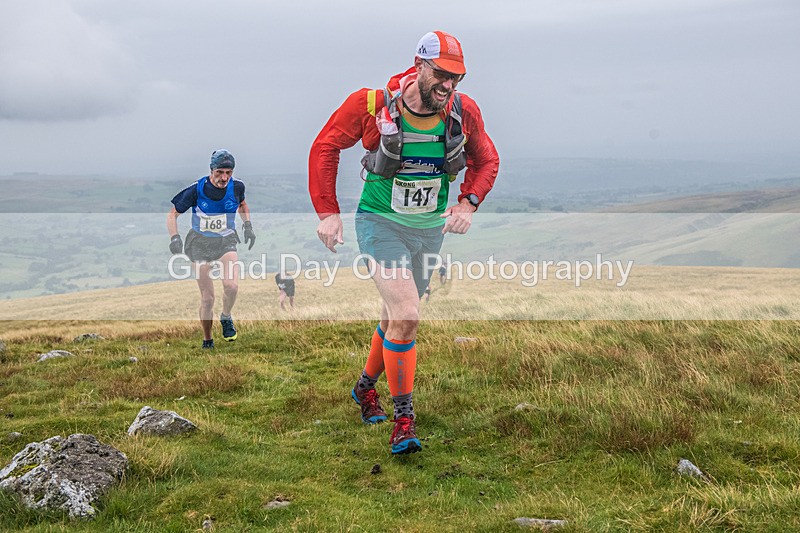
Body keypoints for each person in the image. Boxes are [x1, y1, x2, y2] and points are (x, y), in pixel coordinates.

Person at [309, 31, 499, 455]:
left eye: (458, 77)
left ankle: (363, 389)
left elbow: (487, 159)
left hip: (429, 228)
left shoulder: (463, 112)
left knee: (395, 315)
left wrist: (468, 202)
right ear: (419, 66)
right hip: (381, 222)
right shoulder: (371, 104)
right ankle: (404, 420)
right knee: (409, 315)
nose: (449, 86)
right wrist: (327, 211)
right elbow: (325, 146)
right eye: (442, 75)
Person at [167, 149, 255, 349]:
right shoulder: (196, 190)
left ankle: (226, 316)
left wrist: (248, 226)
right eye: (220, 172)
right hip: (199, 243)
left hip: (225, 240)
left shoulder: (237, 186)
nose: (224, 178)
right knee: (207, 298)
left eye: (228, 173)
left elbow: (242, 204)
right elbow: (172, 214)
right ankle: (207, 339)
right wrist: (174, 237)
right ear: (211, 170)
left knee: (231, 287)